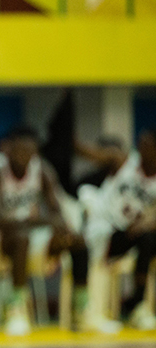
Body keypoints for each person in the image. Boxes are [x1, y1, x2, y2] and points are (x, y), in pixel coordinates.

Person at [0, 126, 90, 335]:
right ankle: (16, 310)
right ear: (7, 151)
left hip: (26, 235)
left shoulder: (42, 170)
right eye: (18, 152)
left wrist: (63, 230)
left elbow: (56, 209)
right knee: (21, 238)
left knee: (78, 240)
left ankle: (81, 309)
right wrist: (42, 221)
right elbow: (0, 221)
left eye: (29, 152)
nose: (23, 157)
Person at [79, 129, 156, 330]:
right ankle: (97, 312)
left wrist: (145, 224)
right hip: (107, 229)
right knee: (144, 238)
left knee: (147, 238)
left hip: (134, 237)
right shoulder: (124, 161)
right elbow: (92, 154)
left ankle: (137, 304)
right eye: (140, 143)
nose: (140, 148)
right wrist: (71, 141)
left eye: (146, 145)